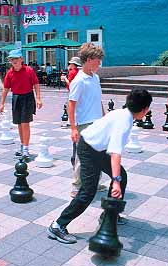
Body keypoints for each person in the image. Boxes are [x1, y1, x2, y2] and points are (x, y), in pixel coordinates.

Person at [48, 88, 153, 244]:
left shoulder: (123, 114)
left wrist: (117, 178)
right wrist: (115, 181)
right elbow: (115, 153)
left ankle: (110, 215)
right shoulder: (124, 121)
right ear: (145, 110)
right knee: (88, 192)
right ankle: (58, 225)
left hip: (97, 148)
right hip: (89, 149)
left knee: (121, 176)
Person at [64, 47, 107, 199]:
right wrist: (73, 128)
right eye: (98, 60)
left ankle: (94, 182)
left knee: (99, 155)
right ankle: (77, 186)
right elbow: (71, 104)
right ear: (89, 60)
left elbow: (98, 100)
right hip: (84, 124)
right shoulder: (79, 80)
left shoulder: (95, 78)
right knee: (83, 157)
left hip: (97, 123)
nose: (100, 63)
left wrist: (104, 119)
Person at [0, 49, 42, 159]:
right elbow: (5, 89)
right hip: (16, 98)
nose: (14, 61)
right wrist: (2, 104)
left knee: (25, 123)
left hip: (27, 98)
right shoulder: (10, 73)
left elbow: (36, 84)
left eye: (16, 59)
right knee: (19, 123)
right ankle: (23, 145)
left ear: (21, 59)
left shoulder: (28, 70)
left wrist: (38, 98)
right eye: (12, 59)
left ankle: (26, 148)